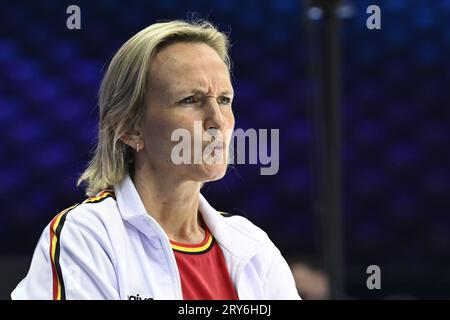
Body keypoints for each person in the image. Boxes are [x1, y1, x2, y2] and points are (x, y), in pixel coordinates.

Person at [11, 19, 300, 300]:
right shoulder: (86, 238)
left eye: (224, 99)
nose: (218, 121)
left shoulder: (254, 248)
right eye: (190, 100)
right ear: (129, 128)